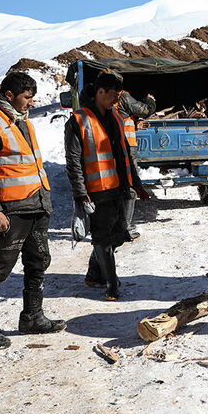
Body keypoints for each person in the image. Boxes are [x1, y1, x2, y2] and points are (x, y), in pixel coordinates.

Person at [0, 72, 64, 350]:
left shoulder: (19, 120)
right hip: (10, 210)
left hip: (36, 204)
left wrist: (44, 201)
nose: (31, 103)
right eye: (27, 98)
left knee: (38, 261)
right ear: (9, 95)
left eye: (32, 98)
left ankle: (32, 316)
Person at [64, 70, 148, 301]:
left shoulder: (115, 118)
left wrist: (136, 183)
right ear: (100, 92)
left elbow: (125, 155)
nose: (116, 100)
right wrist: (81, 193)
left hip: (119, 187)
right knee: (102, 237)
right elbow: (73, 162)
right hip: (96, 190)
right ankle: (112, 284)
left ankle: (94, 273)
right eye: (113, 95)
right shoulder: (78, 120)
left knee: (120, 234)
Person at [116, 90, 156, 241]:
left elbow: (119, 120)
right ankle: (125, 228)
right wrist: (150, 100)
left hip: (112, 146)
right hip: (127, 146)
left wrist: (133, 123)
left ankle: (117, 226)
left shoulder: (100, 101)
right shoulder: (122, 96)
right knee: (130, 185)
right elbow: (146, 110)